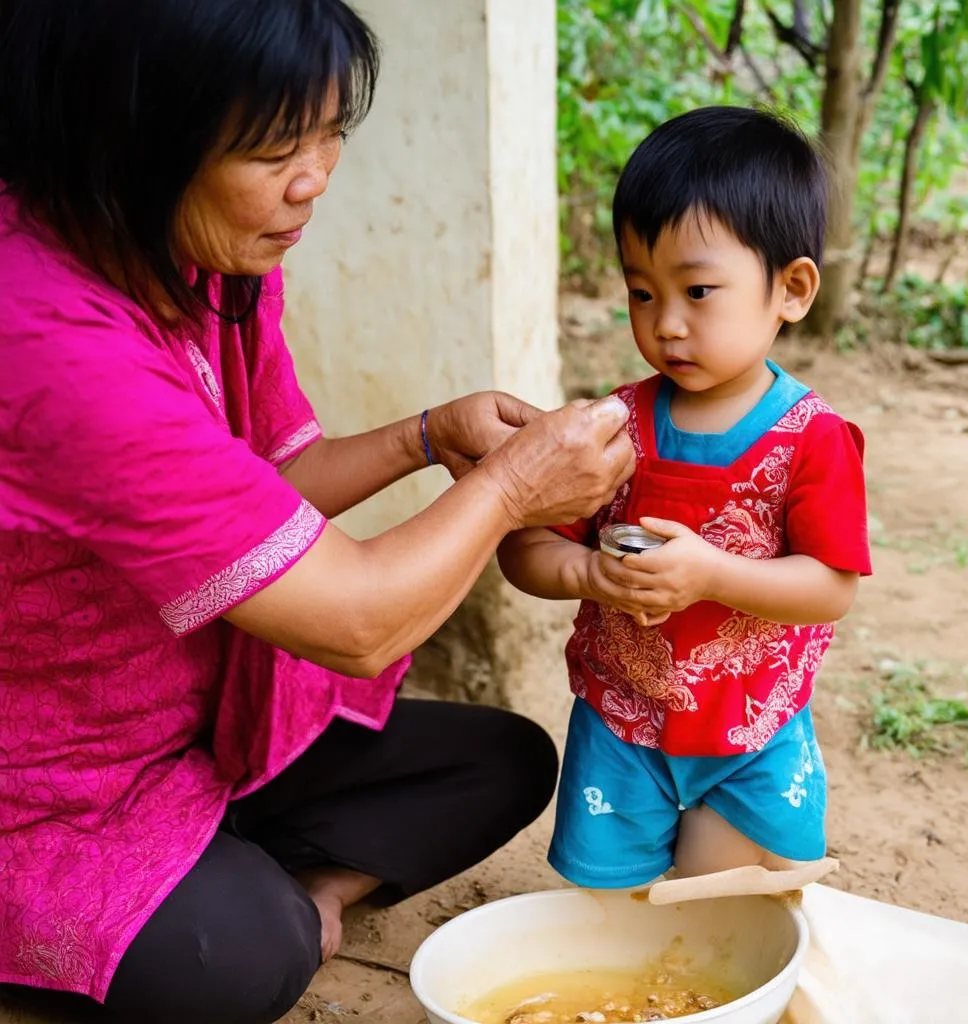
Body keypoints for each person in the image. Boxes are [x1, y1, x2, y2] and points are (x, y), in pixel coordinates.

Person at [0, 2, 635, 1022]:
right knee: (244, 957)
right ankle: (226, 904)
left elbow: (263, 486)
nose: (315, 178)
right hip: (45, 790)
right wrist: (511, 489)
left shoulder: (197, 258)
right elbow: (358, 621)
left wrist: (429, 436)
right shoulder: (54, 341)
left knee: (504, 761)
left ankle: (274, 885)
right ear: (135, 136)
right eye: (271, 148)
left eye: (329, 130)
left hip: (188, 732)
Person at [499, 107, 872, 892]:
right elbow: (526, 548)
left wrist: (712, 576)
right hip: (622, 727)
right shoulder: (614, 426)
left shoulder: (812, 438)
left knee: (718, 916)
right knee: (617, 914)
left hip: (750, 737)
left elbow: (830, 587)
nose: (665, 324)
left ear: (792, 289)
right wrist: (590, 575)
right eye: (641, 292)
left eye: (698, 291)